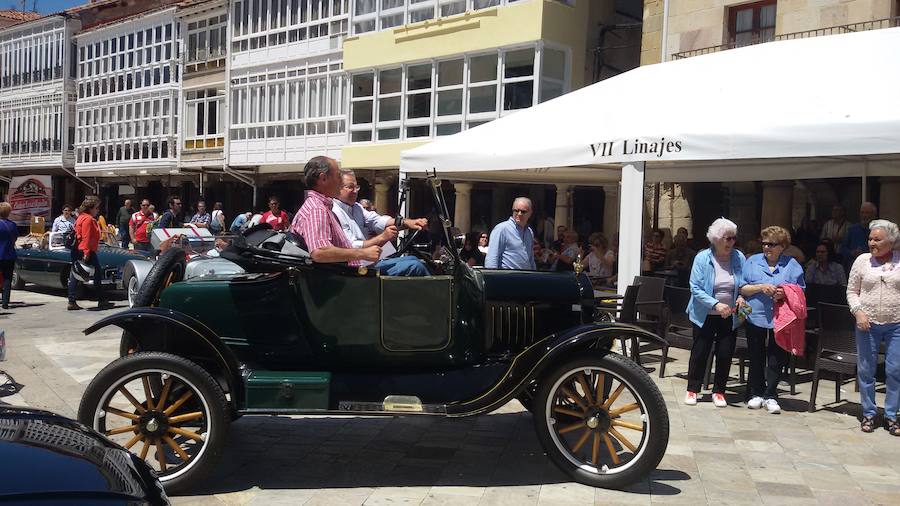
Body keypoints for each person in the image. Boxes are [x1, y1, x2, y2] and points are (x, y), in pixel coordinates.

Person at [740, 226, 806, 414]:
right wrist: (760, 287)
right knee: (756, 355)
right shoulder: (752, 261)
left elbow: (800, 290)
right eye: (764, 244)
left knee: (777, 357)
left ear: (782, 246)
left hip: (781, 318)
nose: (767, 247)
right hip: (755, 315)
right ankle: (756, 393)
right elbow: (742, 287)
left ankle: (770, 394)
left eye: (771, 244)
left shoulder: (792, 265)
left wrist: (783, 292)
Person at [685, 218, 746, 407]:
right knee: (700, 351)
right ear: (716, 239)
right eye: (727, 239)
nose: (731, 243)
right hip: (705, 314)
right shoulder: (702, 257)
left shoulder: (739, 257)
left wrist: (742, 296)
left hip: (730, 314)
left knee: (725, 353)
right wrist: (715, 304)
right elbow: (695, 287)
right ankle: (692, 389)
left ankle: (719, 391)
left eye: (733, 239)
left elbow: (744, 282)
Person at [847, 219, 900, 436]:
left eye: (877, 239)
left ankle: (891, 415)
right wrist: (858, 312)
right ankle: (868, 412)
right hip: (866, 323)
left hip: (896, 323)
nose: (871, 243)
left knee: (895, 370)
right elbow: (852, 291)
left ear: (892, 241)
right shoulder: (862, 261)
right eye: (870, 239)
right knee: (866, 369)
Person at [330, 169, 429, 276]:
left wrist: (409, 223)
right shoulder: (334, 211)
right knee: (415, 267)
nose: (355, 191)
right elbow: (352, 246)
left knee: (414, 259)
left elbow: (377, 221)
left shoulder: (357, 207)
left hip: (365, 262)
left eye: (356, 187)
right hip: (353, 269)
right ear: (337, 188)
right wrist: (383, 237)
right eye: (350, 187)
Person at [291, 156, 382, 267]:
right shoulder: (317, 209)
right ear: (323, 178)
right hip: (346, 278)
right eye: (338, 176)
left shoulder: (322, 206)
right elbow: (320, 252)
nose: (341, 182)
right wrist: (363, 253)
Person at [68, 198, 113, 311]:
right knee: (96, 274)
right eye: (96, 208)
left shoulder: (80, 218)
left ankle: (72, 300)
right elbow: (86, 237)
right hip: (86, 250)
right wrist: (86, 253)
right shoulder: (88, 219)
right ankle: (101, 300)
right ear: (91, 208)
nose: (98, 210)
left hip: (79, 250)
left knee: (75, 274)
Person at [485, 198, 537, 270]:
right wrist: (492, 278)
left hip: (526, 278)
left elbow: (531, 260)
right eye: (516, 210)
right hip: (507, 278)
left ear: (530, 213)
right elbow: (492, 258)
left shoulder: (529, 232)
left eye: (523, 211)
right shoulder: (501, 229)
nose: (519, 214)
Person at [0, 202, 18, 309]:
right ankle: (5, 302)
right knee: (7, 279)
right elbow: (15, 238)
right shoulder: (12, 225)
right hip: (9, 255)